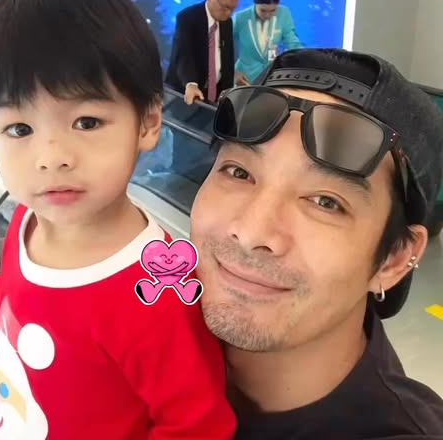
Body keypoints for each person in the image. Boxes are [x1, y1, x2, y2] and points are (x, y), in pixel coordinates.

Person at [0, 0, 236, 439]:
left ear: (148, 123)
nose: (52, 158)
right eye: (19, 129)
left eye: (86, 122)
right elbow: (18, 296)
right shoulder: (31, 219)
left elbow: (198, 424)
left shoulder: (158, 293)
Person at [190, 48, 443, 438]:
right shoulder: (132, 339)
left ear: (394, 259)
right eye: (238, 172)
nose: (253, 233)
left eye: (325, 202)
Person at [165, 0, 239, 106]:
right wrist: (191, 84)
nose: (228, 13)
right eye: (225, 7)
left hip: (213, 96)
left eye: (233, 9)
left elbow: (227, 61)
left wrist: (228, 94)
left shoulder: (227, 22)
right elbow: (184, 55)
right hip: (184, 93)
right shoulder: (187, 17)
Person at [233, 0, 302, 86]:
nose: (268, 15)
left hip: (272, 77)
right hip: (244, 79)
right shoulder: (240, 18)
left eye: (273, 10)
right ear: (255, 4)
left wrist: (303, 58)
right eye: (263, 10)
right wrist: (233, 73)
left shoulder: (284, 14)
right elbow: (225, 47)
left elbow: (292, 42)